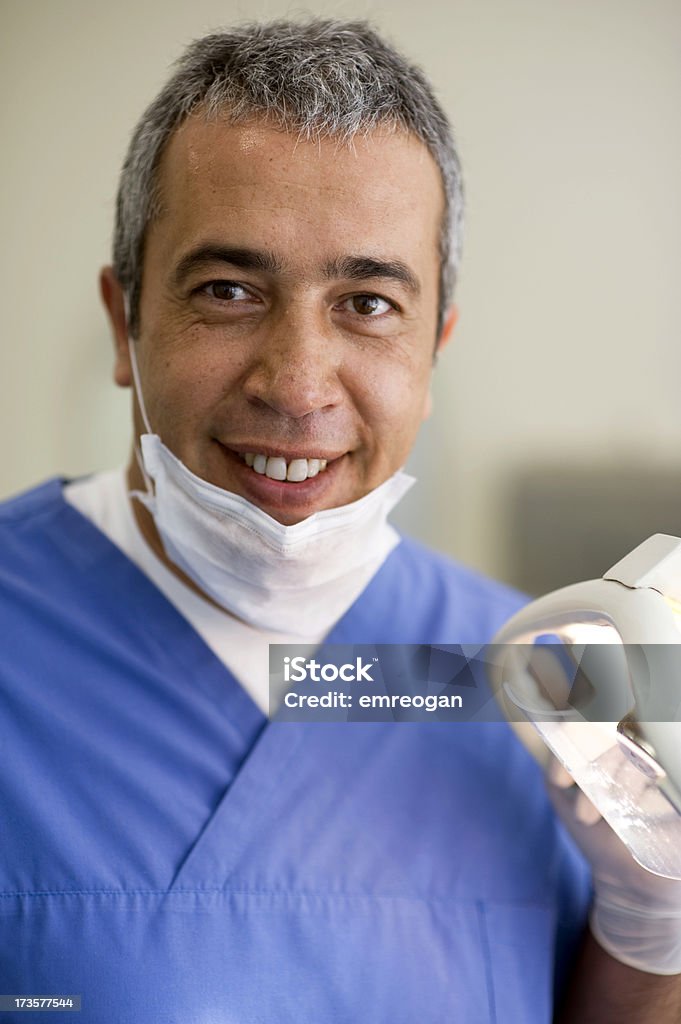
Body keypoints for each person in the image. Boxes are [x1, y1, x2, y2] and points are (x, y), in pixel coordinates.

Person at [0, 18, 679, 1022]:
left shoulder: (532, 676)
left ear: (434, 347)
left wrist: (649, 925)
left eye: (367, 303)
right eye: (228, 290)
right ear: (123, 320)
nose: (298, 383)